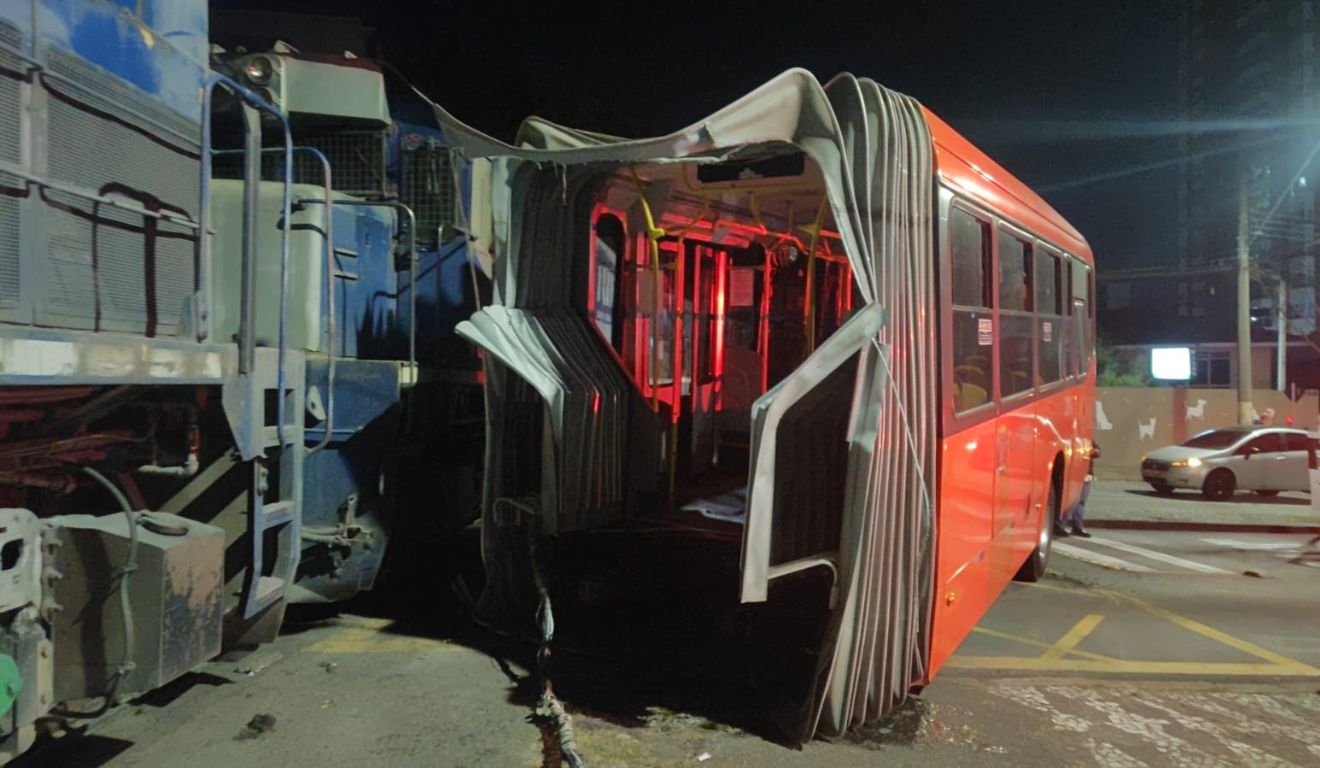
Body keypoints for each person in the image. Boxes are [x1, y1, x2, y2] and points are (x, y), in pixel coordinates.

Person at [1058, 443, 1100, 538]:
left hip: (1087, 475)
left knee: (1081, 502)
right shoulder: (1076, 441)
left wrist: (1094, 451)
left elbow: (1097, 452)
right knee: (1072, 500)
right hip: (1076, 473)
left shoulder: (1089, 441)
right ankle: (1060, 525)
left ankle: (1077, 526)